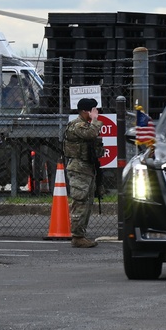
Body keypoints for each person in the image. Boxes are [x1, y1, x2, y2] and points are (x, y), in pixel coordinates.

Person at [63, 97, 104, 248]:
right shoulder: (76, 125)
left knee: (87, 202)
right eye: (93, 110)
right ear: (86, 111)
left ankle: (81, 234)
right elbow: (91, 134)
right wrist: (96, 120)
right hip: (78, 169)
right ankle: (77, 236)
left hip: (87, 169)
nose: (96, 113)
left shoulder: (85, 125)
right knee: (80, 202)